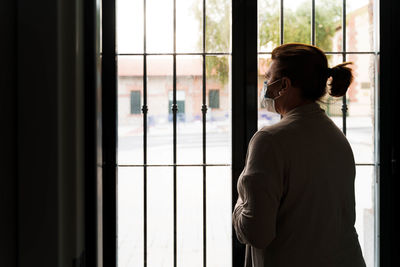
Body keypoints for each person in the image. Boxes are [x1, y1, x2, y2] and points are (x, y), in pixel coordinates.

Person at [232, 43, 366, 267]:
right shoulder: (335, 136)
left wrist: (239, 204)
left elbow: (256, 232)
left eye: (268, 77)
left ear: (283, 85)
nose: (265, 85)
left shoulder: (270, 140)